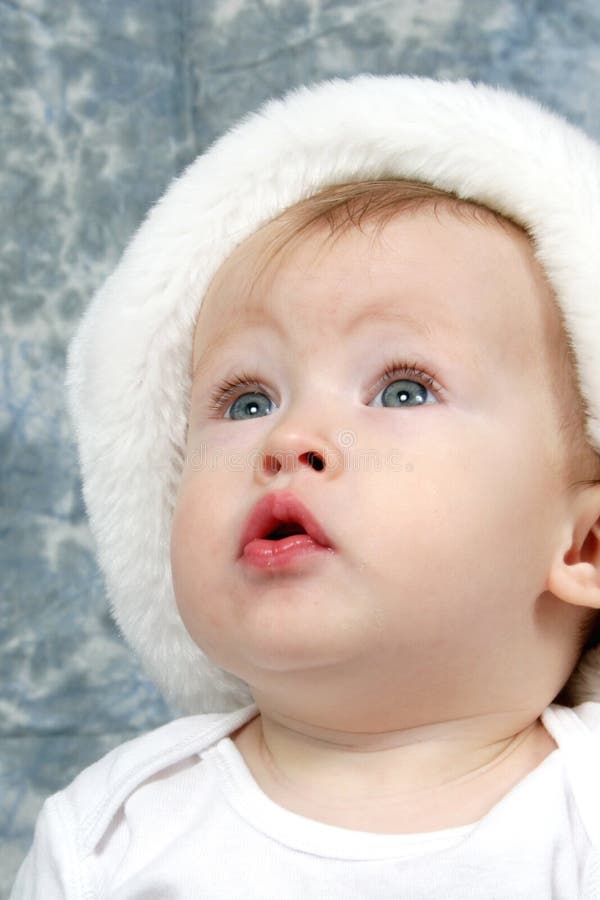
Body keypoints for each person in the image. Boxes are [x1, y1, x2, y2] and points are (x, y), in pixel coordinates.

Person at [11, 74, 600, 898]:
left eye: (403, 390)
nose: (288, 439)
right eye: (246, 401)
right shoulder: (110, 836)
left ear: (583, 547)